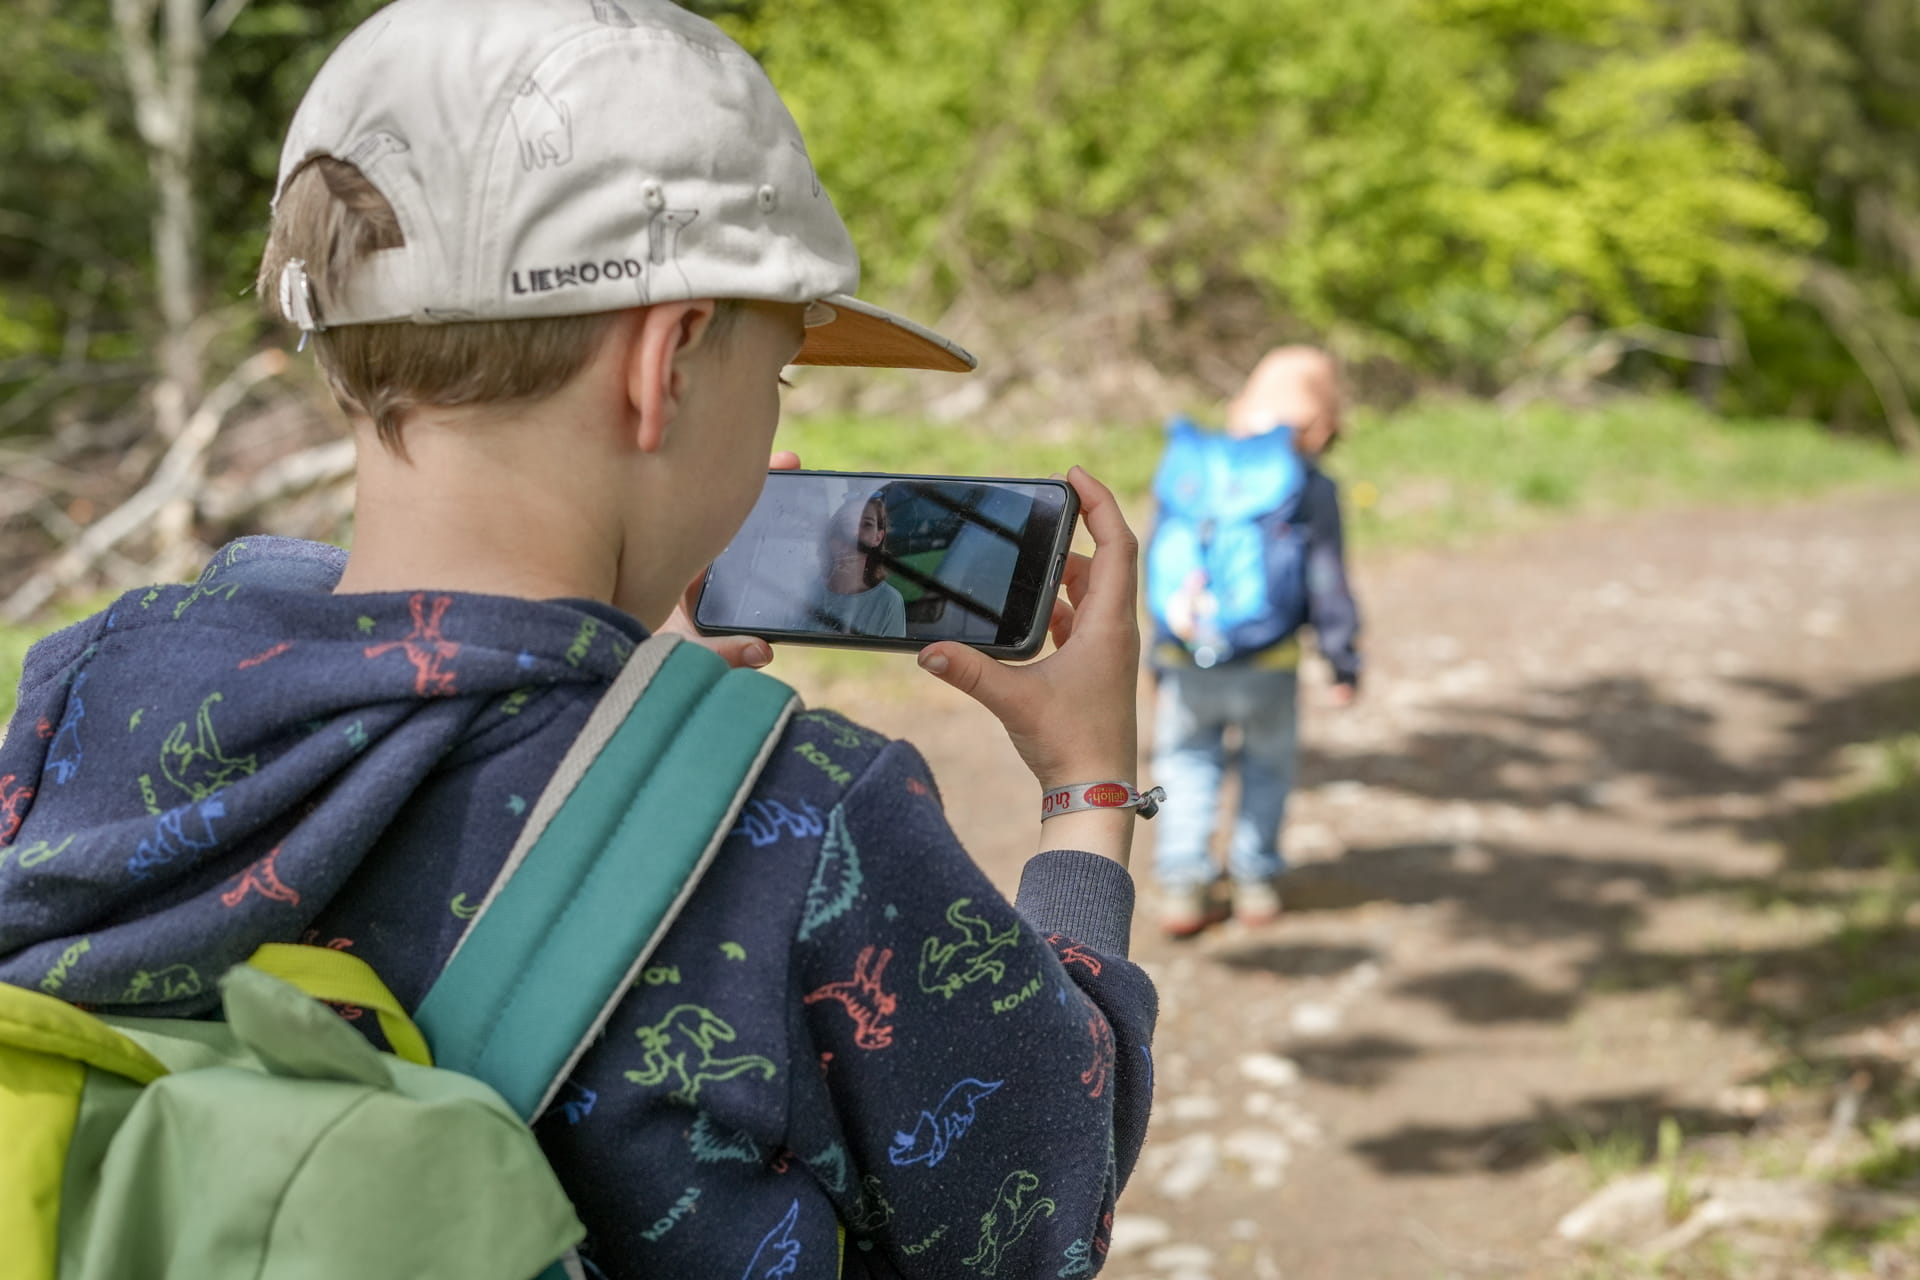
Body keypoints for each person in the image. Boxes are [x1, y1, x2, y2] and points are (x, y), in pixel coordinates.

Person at [0, 3, 1155, 1277]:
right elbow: (1046, 1199)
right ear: (667, 363)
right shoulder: (810, 821)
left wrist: (624, 728)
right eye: (776, 376)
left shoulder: (94, 682)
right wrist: (1088, 791)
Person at [1148, 345, 1362, 936]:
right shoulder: (1309, 486)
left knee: (1187, 762)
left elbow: (1163, 567)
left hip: (1185, 656)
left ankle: (1183, 887)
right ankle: (1255, 881)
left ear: (1239, 411)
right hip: (1269, 663)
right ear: (1321, 427)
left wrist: (1156, 655)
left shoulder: (1194, 472)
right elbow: (1326, 582)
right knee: (1267, 768)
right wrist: (1342, 660)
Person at [812, 489, 907, 637]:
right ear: (832, 538)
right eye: (846, 525)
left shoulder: (888, 601)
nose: (854, 534)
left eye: (866, 524)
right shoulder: (806, 591)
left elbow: (892, 656)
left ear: (878, 537)